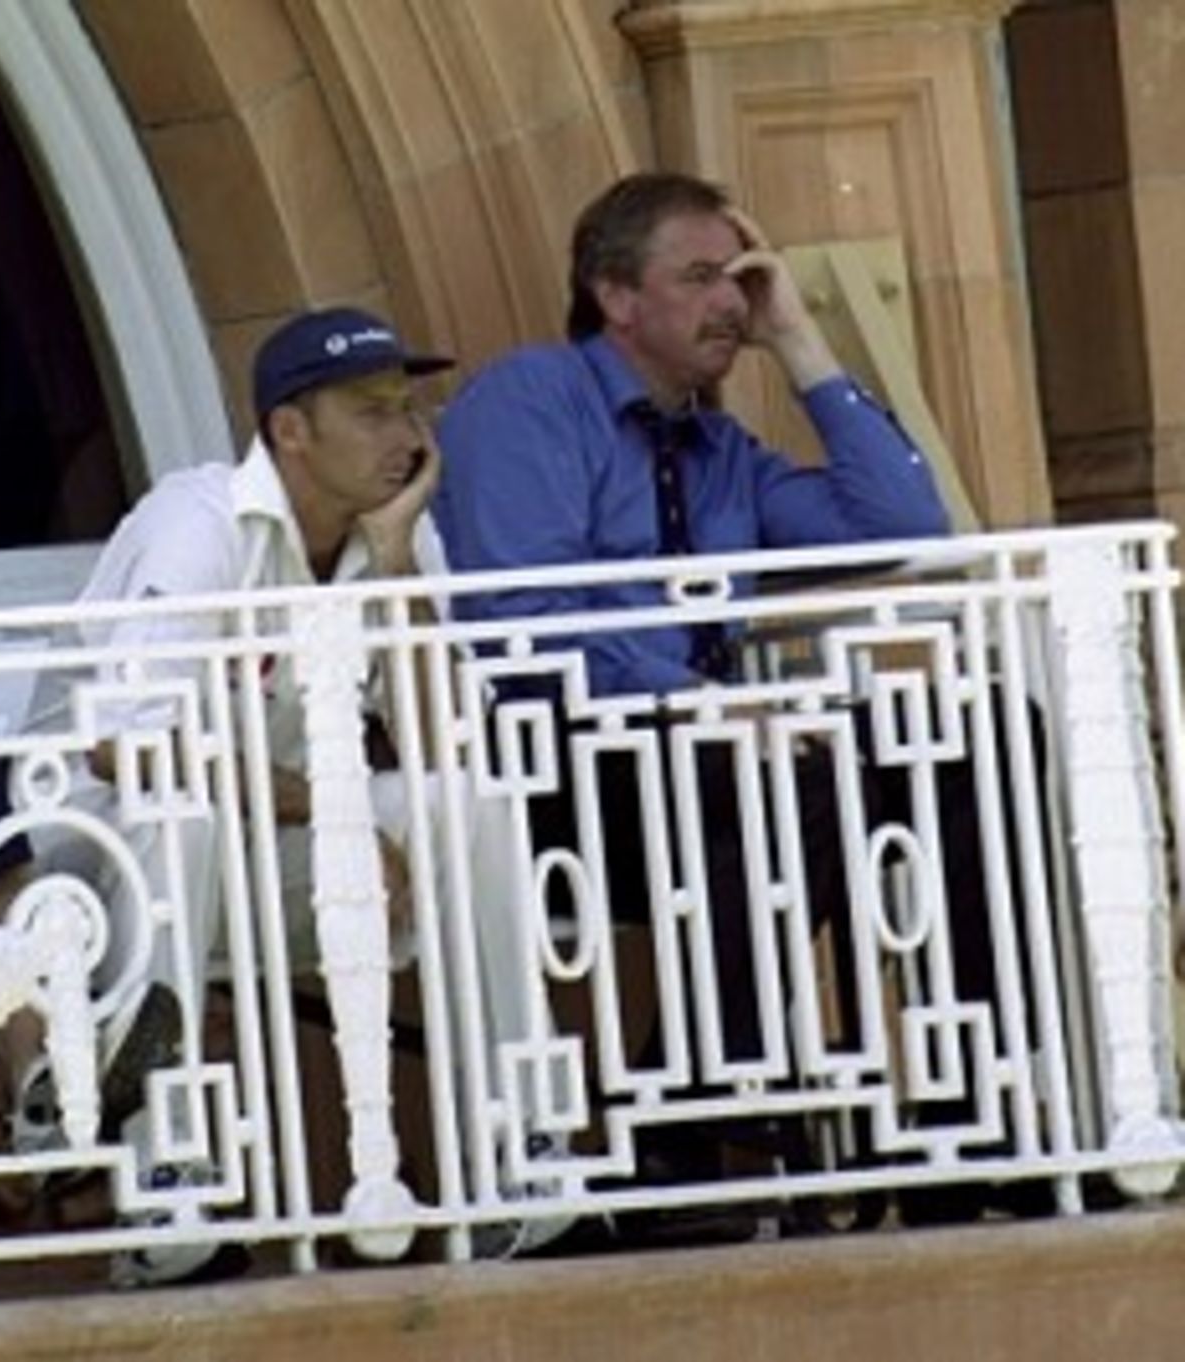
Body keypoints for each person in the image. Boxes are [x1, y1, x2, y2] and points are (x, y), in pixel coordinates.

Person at [434, 172, 1044, 1241]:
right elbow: (523, 614)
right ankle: (686, 1117)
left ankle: (968, 1122)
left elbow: (904, 526)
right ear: (615, 295)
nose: (730, 301)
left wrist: (799, 341)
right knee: (799, 770)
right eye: (701, 277)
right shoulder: (530, 398)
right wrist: (695, 703)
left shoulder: (720, 451)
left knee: (982, 735)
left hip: (713, 762)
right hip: (556, 766)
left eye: (741, 279)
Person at [17, 306, 453, 1284]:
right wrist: (333, 815)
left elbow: (446, 742)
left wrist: (394, 567)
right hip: (88, 856)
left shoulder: (395, 533)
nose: (407, 435)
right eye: (372, 412)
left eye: (409, 408)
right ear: (289, 430)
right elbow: (130, 748)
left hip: (254, 841)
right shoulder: (197, 520)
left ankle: (521, 1164)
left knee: (462, 806)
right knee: (184, 809)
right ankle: (166, 1197)